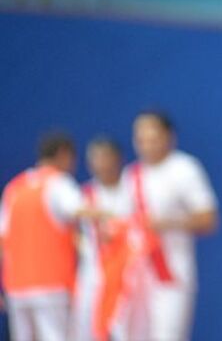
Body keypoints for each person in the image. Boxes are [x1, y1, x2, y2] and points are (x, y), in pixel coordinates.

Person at [120, 110, 219, 341]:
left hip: (171, 273)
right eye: (141, 140)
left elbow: (209, 219)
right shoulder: (130, 175)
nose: (146, 146)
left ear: (169, 137)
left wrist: (167, 223)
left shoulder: (184, 168)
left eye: (153, 139)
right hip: (136, 276)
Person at [0, 131, 96, 341]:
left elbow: (2, 240)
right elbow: (79, 210)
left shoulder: (14, 188)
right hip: (52, 285)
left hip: (17, 287)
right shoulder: (59, 182)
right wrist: (114, 215)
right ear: (63, 154)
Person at [72, 136, 134, 341]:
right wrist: (83, 246)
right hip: (93, 273)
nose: (101, 164)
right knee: (87, 329)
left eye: (106, 158)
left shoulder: (132, 190)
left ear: (119, 159)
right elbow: (71, 232)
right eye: (96, 159)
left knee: (126, 329)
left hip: (127, 273)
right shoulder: (83, 195)